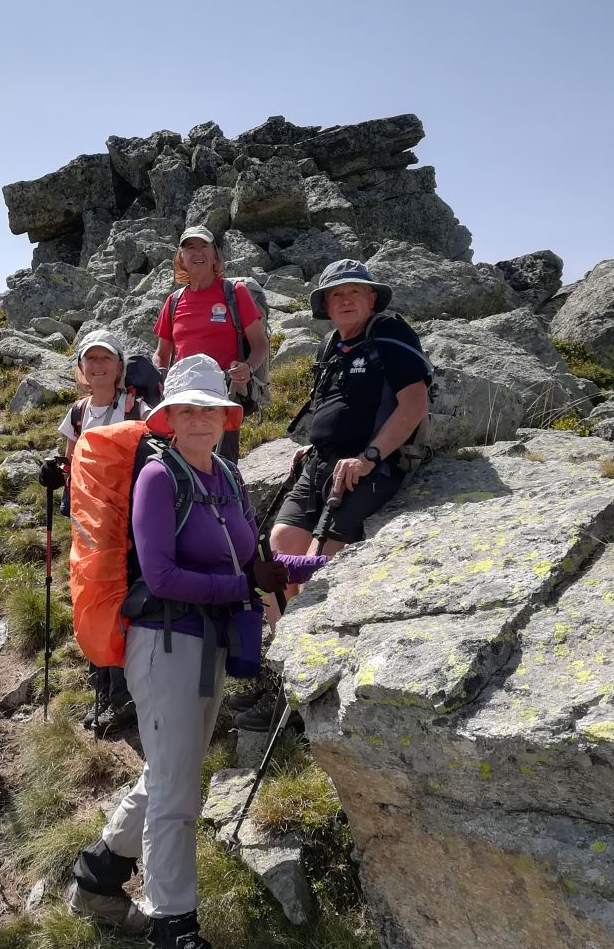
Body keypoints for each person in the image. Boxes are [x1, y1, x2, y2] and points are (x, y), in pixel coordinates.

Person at [66, 356, 324, 949]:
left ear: (226, 417)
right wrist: (245, 587)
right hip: (165, 644)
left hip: (207, 647)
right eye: (188, 408)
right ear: (169, 417)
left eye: (210, 408)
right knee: (178, 801)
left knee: (170, 773)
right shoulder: (158, 476)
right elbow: (163, 572)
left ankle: (97, 879)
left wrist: (320, 564)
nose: (200, 418)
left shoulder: (229, 478)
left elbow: (254, 562)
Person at [269, 259, 431, 560]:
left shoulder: (390, 334)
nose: (345, 300)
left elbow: (415, 404)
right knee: (281, 549)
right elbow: (334, 404)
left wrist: (368, 458)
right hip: (319, 464)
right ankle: (282, 609)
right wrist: (317, 445)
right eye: (335, 294)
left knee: (316, 569)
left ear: (371, 299)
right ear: (326, 307)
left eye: (354, 291)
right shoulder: (330, 345)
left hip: (368, 469)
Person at [58, 329, 150, 735]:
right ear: (81, 369)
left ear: (119, 367)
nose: (97, 367)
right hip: (87, 524)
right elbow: (70, 459)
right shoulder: (78, 412)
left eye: (105, 360)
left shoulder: (136, 408)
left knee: (117, 599)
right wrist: (55, 473)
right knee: (90, 595)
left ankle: (122, 693)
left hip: (127, 525)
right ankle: (103, 676)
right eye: (90, 360)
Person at [151, 225, 269, 463]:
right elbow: (161, 354)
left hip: (223, 395)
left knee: (222, 464)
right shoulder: (174, 302)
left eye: (204, 246)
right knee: (183, 464)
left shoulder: (235, 292)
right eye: (190, 248)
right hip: (182, 397)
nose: (197, 253)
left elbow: (260, 345)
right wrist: (160, 379)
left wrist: (247, 368)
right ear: (181, 258)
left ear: (215, 255)